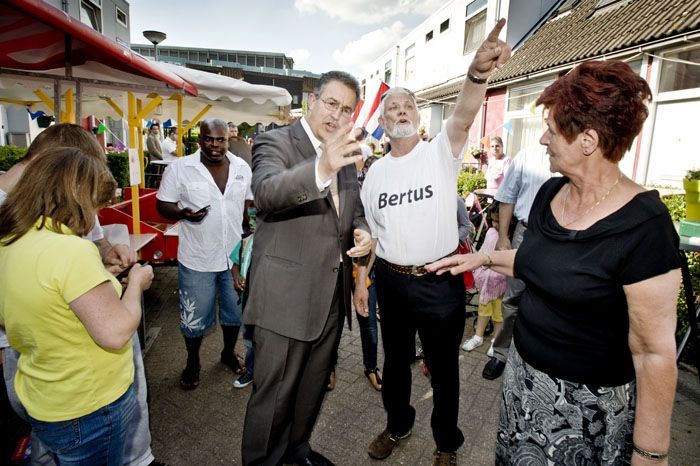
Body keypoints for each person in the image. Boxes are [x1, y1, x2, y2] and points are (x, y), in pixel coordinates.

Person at [428, 60, 681, 465]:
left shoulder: (645, 226)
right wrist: (485, 257)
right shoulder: (550, 193)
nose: (543, 139)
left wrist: (650, 454)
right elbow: (540, 262)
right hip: (523, 383)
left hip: (586, 408)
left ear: (588, 141)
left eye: (551, 129)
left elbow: (655, 353)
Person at [354, 20, 510, 465]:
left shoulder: (440, 152)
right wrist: (362, 280)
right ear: (382, 123)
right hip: (392, 282)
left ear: (419, 118)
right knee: (396, 363)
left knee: (443, 370)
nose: (401, 111)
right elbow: (372, 238)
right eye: (393, 108)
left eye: (408, 106)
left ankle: (446, 443)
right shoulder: (374, 175)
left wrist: (477, 74)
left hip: (440, 281)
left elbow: (463, 114)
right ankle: (398, 425)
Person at [0, 123, 161, 466]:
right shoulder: (70, 249)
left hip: (46, 397)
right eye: (94, 205)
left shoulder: (12, 240)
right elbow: (114, 332)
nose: (95, 216)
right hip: (88, 402)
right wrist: (135, 284)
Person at [241, 70, 372, 466]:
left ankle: (296, 453)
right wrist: (322, 168)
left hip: (330, 301)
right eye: (331, 103)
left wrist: (362, 232)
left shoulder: (343, 153)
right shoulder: (276, 141)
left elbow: (352, 210)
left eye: (346, 109)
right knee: (274, 400)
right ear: (311, 101)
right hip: (284, 302)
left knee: (310, 392)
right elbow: (266, 193)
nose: (338, 115)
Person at [156, 118, 253, 390]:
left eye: (220, 139)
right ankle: (193, 362)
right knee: (194, 318)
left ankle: (227, 353)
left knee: (235, 314)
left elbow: (250, 204)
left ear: (228, 140)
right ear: (200, 140)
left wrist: (254, 228)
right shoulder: (180, 168)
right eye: (208, 139)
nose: (214, 145)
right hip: (197, 258)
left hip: (234, 260)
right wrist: (182, 213)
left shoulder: (242, 168)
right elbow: (162, 205)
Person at [480, 144, 557, 380]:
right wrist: (503, 237)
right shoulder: (527, 156)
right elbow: (507, 196)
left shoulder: (574, 154)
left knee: (550, 300)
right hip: (524, 234)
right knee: (512, 298)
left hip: (558, 238)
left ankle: (539, 359)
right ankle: (501, 353)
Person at [461, 205, 506, 354]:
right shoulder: (491, 233)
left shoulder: (509, 238)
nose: (496, 225)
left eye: (499, 221)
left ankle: (496, 341)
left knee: (498, 315)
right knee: (483, 310)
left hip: (501, 284)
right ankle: (478, 336)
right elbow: (482, 253)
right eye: (494, 221)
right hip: (486, 283)